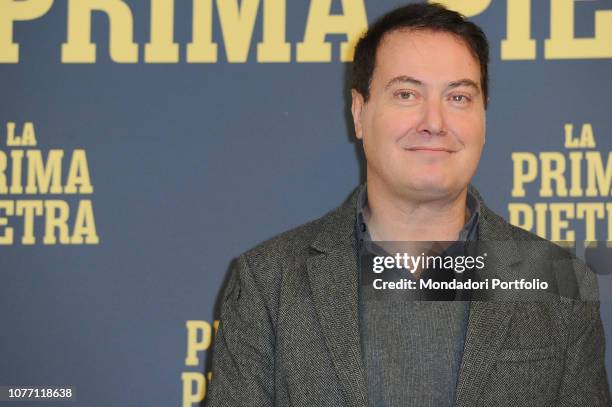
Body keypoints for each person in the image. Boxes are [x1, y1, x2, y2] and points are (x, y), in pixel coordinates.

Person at [205, 3, 611, 406]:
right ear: (359, 113)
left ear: (483, 118)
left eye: (458, 97)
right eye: (406, 93)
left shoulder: (560, 284)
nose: (434, 121)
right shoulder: (268, 283)